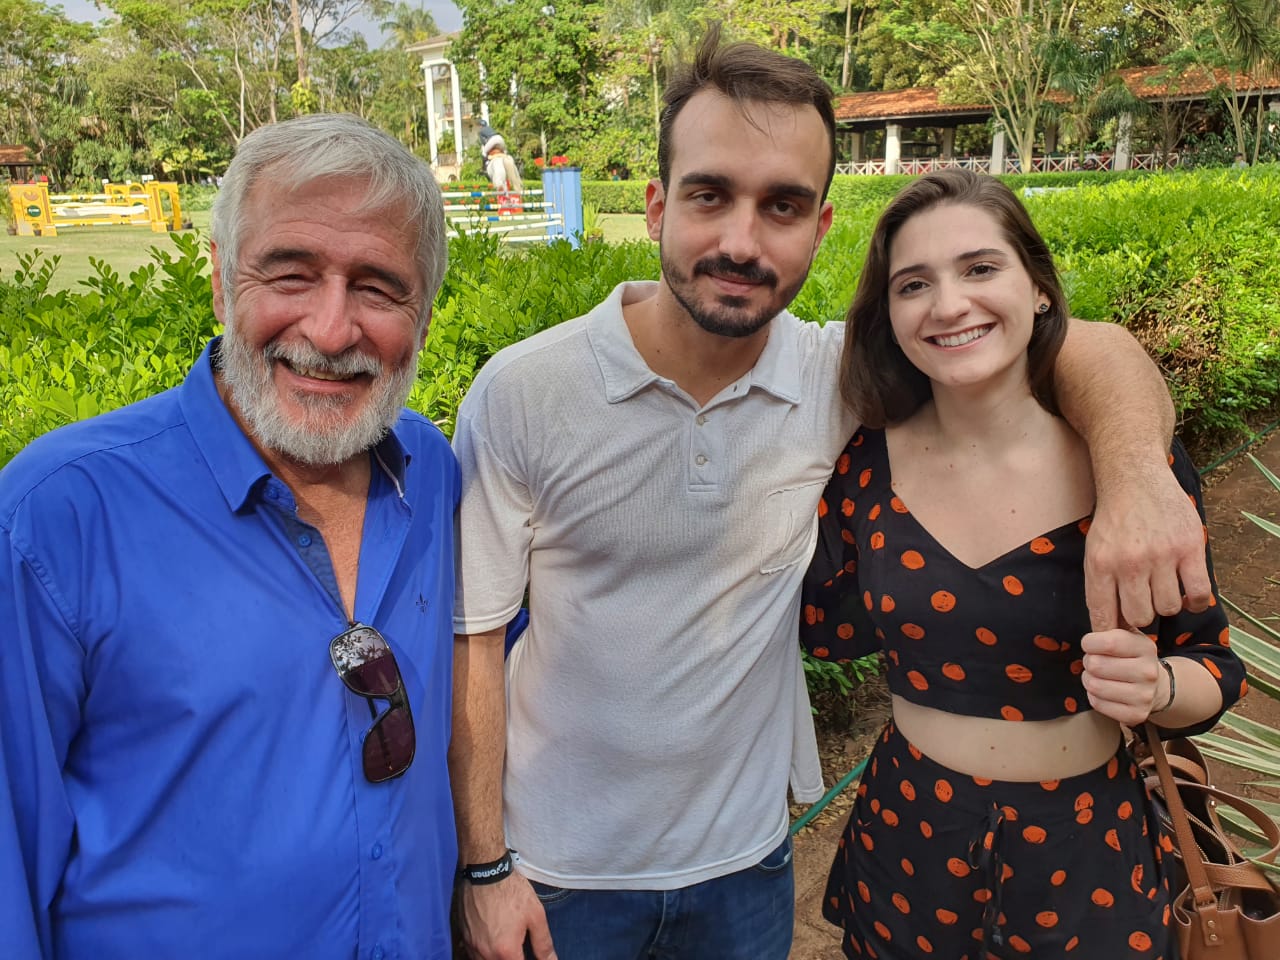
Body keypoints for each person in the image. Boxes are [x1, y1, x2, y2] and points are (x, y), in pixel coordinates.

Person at [449, 26, 1216, 960]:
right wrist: (486, 867)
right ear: (654, 207)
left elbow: (1070, 345)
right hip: (563, 871)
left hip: (748, 863)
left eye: (782, 206)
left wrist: (1136, 472)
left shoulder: (832, 377)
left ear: (818, 228)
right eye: (708, 195)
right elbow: (474, 637)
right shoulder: (527, 390)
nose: (740, 239)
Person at [0, 114, 459, 958]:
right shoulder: (58, 516)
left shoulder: (430, 472)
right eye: (290, 274)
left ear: (422, 312)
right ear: (219, 282)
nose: (330, 331)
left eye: (377, 287)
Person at [800, 169, 1247, 958]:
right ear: (889, 315)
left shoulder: (1129, 468)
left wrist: (1158, 687)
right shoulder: (861, 466)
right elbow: (822, 630)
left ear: (1038, 288)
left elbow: (1210, 662)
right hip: (909, 832)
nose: (948, 304)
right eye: (914, 284)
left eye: (980, 268)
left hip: (1086, 847)